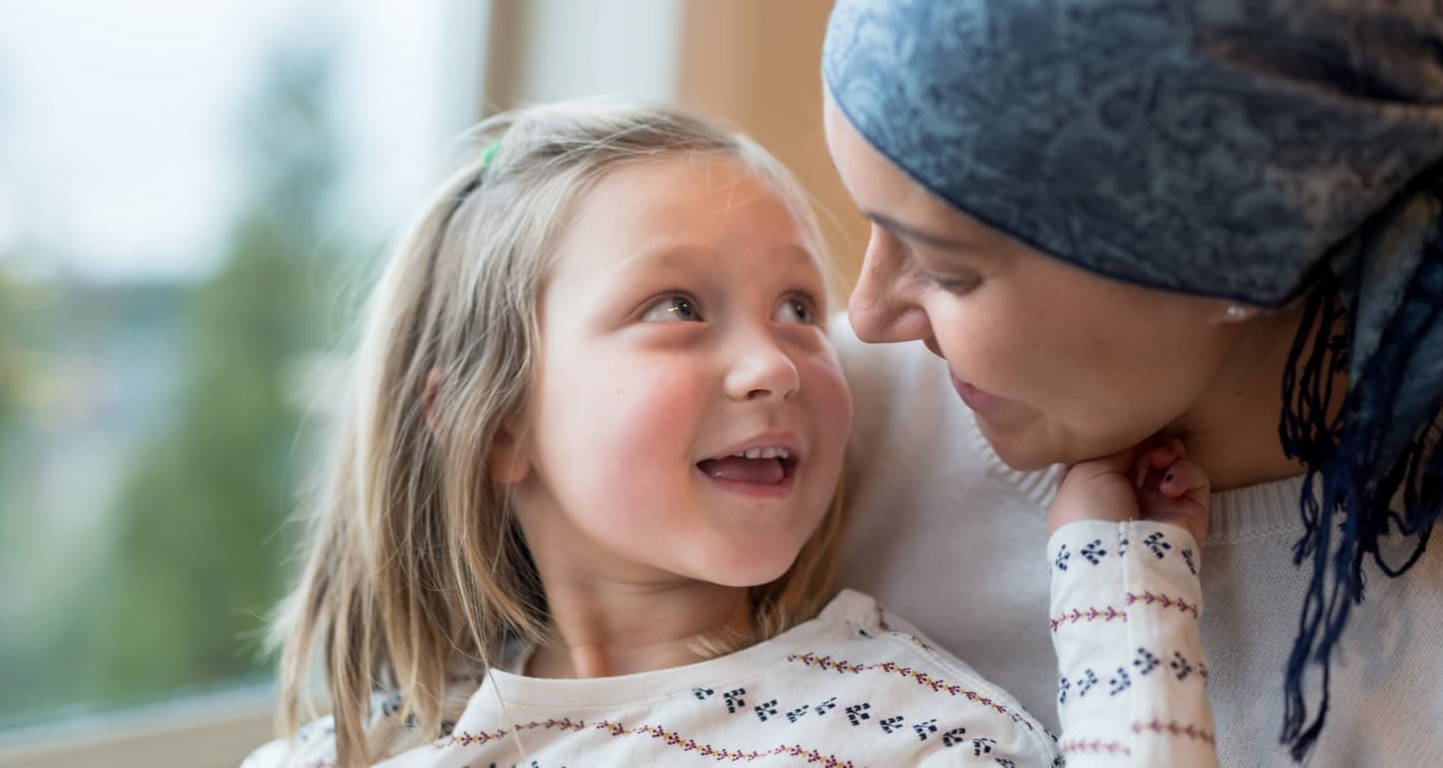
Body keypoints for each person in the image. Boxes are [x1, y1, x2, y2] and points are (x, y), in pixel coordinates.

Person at [241, 100, 1219, 767]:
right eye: (676, 305)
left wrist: (1118, 580)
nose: (776, 363)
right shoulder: (354, 749)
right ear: (492, 421)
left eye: (798, 306)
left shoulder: (900, 723)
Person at [821, 0, 1443, 765]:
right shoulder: (809, 434)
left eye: (949, 269)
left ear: (1241, 256)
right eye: (872, 224)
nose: (866, 316)